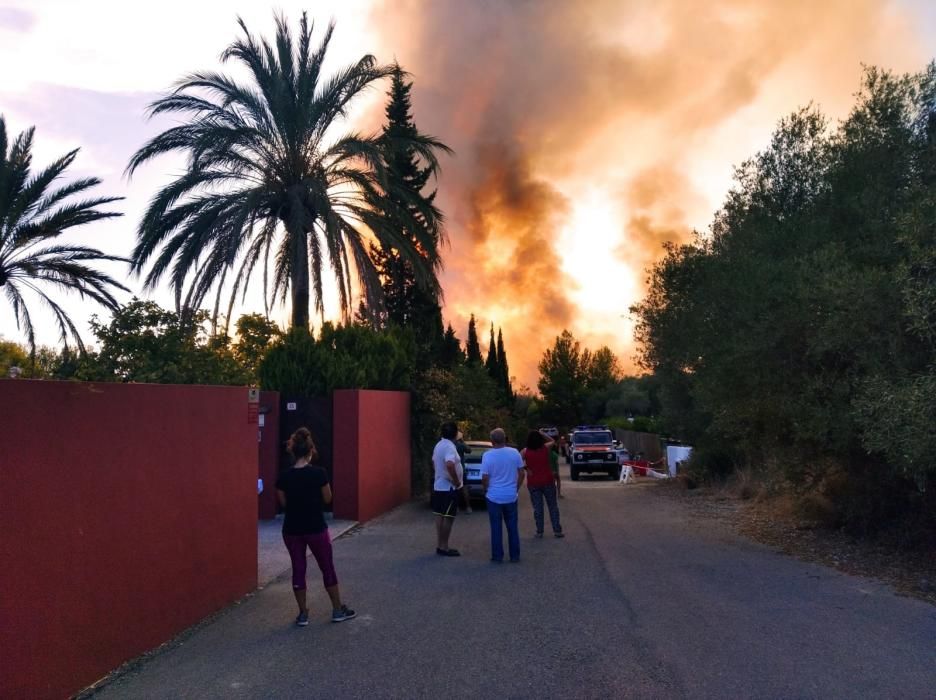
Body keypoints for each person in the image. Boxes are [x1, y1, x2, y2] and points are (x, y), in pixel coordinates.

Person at [276, 427, 356, 626]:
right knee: (327, 567)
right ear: (311, 451)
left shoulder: (283, 477)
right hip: (316, 527)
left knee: (298, 568)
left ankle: (303, 614)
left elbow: (283, 503)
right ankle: (337, 610)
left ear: (293, 452)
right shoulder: (319, 473)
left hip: (292, 529)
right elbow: (328, 498)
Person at [480, 428, 525, 562]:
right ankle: (515, 555)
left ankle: (497, 555)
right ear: (505, 439)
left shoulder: (487, 455)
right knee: (512, 527)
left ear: (492, 440)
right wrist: (516, 488)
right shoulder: (514, 453)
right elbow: (522, 473)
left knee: (496, 527)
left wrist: (486, 489)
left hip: (494, 496)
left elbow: (485, 477)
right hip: (510, 495)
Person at [522, 429, 564, 538]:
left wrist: (527, 468)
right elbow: (552, 441)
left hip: (533, 483)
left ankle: (539, 531)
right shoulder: (545, 448)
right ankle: (557, 530)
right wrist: (542, 433)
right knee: (553, 506)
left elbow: (517, 462)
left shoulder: (525, 451)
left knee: (538, 508)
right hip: (548, 481)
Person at [431, 421, 463, 556]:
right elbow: (450, 464)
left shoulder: (439, 445)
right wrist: (456, 481)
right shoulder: (450, 447)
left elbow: (433, 461)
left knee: (439, 515)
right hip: (449, 488)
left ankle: (440, 545)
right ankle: (444, 547)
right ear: (455, 434)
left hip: (439, 486)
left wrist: (439, 473)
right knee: (448, 517)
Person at [454, 430, 473, 514]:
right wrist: (462, 441)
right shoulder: (461, 445)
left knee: (455, 489)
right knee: (464, 489)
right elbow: (469, 450)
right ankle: (468, 507)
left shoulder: (451, 445)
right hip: (461, 470)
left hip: (452, 470)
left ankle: (456, 507)